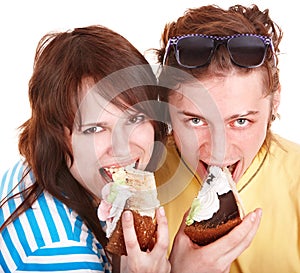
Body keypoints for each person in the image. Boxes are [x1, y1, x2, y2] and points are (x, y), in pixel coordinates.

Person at [0, 25, 171, 273]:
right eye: (94, 129)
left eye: (134, 119)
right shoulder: (63, 250)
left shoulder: (43, 168)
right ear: (58, 136)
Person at [154, 4, 300, 273]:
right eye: (195, 120)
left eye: (241, 121)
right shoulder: (141, 185)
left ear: (275, 101)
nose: (218, 150)